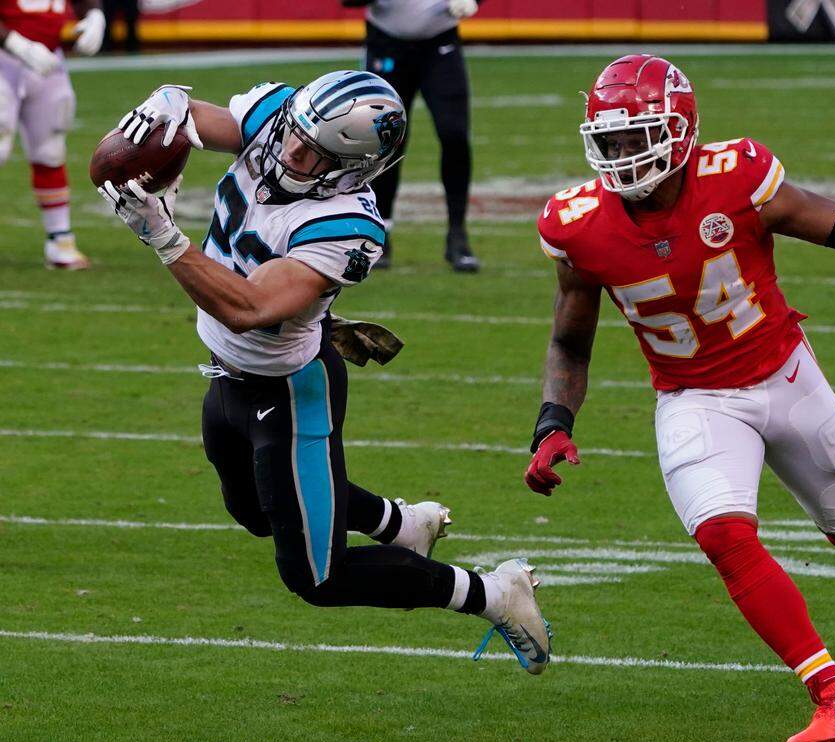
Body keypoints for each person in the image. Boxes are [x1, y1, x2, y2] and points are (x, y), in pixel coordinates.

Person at [525, 55, 835, 742]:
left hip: (785, 374)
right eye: (613, 140)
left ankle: (833, 520)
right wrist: (553, 422)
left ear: (682, 128)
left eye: (640, 137)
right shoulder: (577, 227)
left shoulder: (740, 178)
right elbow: (570, 342)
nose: (625, 155)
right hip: (695, 399)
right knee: (725, 536)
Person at [99, 70, 551, 673]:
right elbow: (205, 121)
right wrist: (168, 106)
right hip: (226, 377)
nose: (290, 152)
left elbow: (248, 308)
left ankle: (495, 594)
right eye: (295, 135)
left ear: (353, 170)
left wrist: (163, 234)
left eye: (314, 154)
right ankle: (399, 523)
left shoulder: (347, 227)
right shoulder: (284, 120)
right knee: (257, 513)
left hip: (289, 392)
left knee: (318, 575)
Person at [341, 0, 481, 272]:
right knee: (383, 141)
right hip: (387, 41)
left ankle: (457, 234)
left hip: (440, 42)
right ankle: (379, 232)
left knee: (454, 134)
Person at [1, 0, 105, 269]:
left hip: (48, 60)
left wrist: (94, 14)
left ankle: (60, 240)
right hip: (4, 59)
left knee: (50, 148)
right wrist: (15, 42)